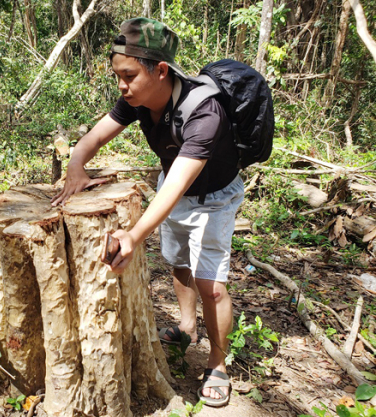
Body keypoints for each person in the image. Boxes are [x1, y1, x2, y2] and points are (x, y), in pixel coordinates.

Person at [51, 17, 244, 407]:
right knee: (177, 265)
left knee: (212, 286)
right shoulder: (137, 100)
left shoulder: (205, 112)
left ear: (160, 70)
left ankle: (218, 364)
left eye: (128, 76)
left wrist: (133, 236)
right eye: (117, 76)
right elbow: (94, 137)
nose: (121, 86)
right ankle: (188, 326)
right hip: (173, 190)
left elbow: (178, 184)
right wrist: (76, 165)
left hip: (214, 198)